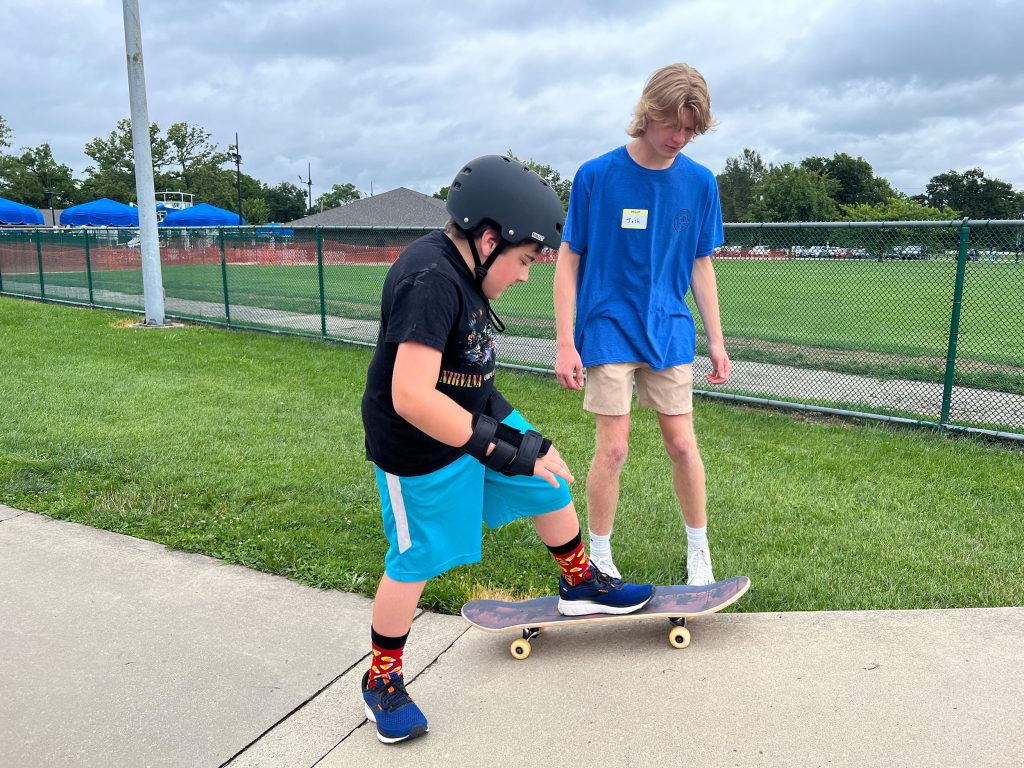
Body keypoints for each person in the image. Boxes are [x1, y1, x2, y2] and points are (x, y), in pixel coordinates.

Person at [359, 155, 654, 744]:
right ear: (488, 239)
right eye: (523, 261)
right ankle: (381, 678)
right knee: (416, 561)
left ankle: (580, 585)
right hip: (416, 447)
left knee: (548, 476)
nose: (525, 276)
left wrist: (524, 443)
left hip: (465, 419)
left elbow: (472, 380)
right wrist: (501, 450)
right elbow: (413, 396)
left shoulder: (467, 276)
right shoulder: (431, 281)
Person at [554, 63, 731, 587]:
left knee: (682, 443)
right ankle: (599, 558)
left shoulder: (699, 183)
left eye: (690, 130)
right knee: (613, 447)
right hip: (608, 326)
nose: (679, 138)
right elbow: (569, 260)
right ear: (648, 113)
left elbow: (701, 263)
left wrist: (717, 340)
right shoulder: (596, 176)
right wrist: (565, 341)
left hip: (670, 328)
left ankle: (699, 551)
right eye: (672, 125)